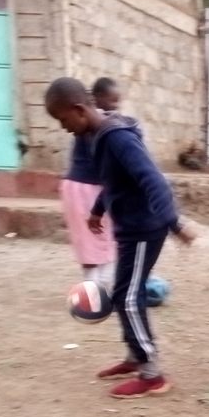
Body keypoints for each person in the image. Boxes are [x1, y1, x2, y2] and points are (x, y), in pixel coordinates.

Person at [44, 77, 195, 399]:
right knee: (124, 293)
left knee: (127, 297)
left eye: (63, 119)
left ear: (79, 109)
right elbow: (113, 181)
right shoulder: (95, 136)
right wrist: (98, 210)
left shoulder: (118, 138)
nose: (63, 127)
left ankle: (152, 374)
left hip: (145, 228)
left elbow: (153, 180)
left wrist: (174, 223)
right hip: (129, 228)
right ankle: (135, 356)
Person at [60, 87, 115, 287]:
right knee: (102, 237)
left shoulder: (89, 123)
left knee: (90, 240)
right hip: (90, 189)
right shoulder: (100, 124)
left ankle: (94, 285)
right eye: (113, 101)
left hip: (75, 188)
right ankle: (97, 287)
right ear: (97, 99)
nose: (115, 106)